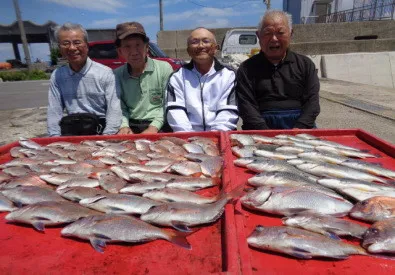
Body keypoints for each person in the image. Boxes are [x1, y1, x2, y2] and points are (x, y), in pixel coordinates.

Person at [236, 10, 320, 130]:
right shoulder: (246, 69)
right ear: (258, 35)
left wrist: (299, 129)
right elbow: (247, 107)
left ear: (291, 33)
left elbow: (312, 103)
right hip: (260, 128)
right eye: (268, 33)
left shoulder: (305, 64)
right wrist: (266, 134)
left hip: (300, 127)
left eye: (280, 32)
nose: (274, 39)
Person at [47, 23, 121, 136]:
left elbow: (114, 109)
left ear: (86, 45)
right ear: (60, 48)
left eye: (77, 42)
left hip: (100, 130)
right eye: (65, 43)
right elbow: (54, 111)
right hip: (71, 129)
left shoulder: (105, 73)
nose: (72, 48)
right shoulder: (57, 75)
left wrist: (107, 138)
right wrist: (54, 137)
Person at [165, 27, 238, 132]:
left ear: (216, 48)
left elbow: (228, 111)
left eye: (206, 41)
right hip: (188, 138)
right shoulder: (177, 77)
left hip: (221, 135)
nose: (200, 46)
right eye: (194, 42)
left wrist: (214, 137)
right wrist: (190, 139)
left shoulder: (229, 75)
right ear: (188, 50)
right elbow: (175, 111)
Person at [114, 22, 173, 134]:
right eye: (127, 46)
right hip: (131, 125)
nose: (134, 52)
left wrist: (153, 128)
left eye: (138, 45)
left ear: (147, 47)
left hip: (159, 125)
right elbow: (120, 106)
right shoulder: (116, 74)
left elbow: (167, 103)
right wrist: (124, 126)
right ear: (120, 51)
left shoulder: (164, 68)